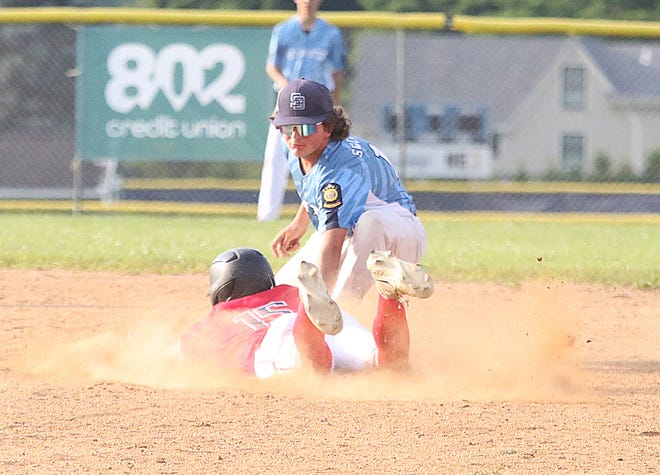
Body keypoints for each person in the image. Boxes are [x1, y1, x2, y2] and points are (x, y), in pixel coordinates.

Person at [270, 78, 427, 303]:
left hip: (398, 233)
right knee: (283, 294)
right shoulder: (298, 147)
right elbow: (316, 187)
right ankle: (388, 279)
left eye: (304, 127)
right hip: (353, 234)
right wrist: (299, 223)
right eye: (287, 126)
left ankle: (384, 281)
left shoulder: (343, 168)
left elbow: (332, 246)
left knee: (333, 300)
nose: (295, 136)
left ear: (328, 128)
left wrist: (322, 302)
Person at [178, 247, 433, 378]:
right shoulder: (285, 291)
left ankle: (310, 319)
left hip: (276, 339)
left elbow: (180, 355)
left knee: (314, 369)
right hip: (320, 317)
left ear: (223, 287)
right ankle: (389, 296)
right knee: (390, 363)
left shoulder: (216, 319)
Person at [257, 0, 347, 222]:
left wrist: (334, 104)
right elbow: (272, 66)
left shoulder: (330, 33)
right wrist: (287, 87)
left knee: (326, 158)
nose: (308, 2)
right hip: (288, 103)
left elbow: (337, 71)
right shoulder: (283, 30)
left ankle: (330, 210)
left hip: (317, 106)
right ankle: (267, 215)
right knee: (275, 158)